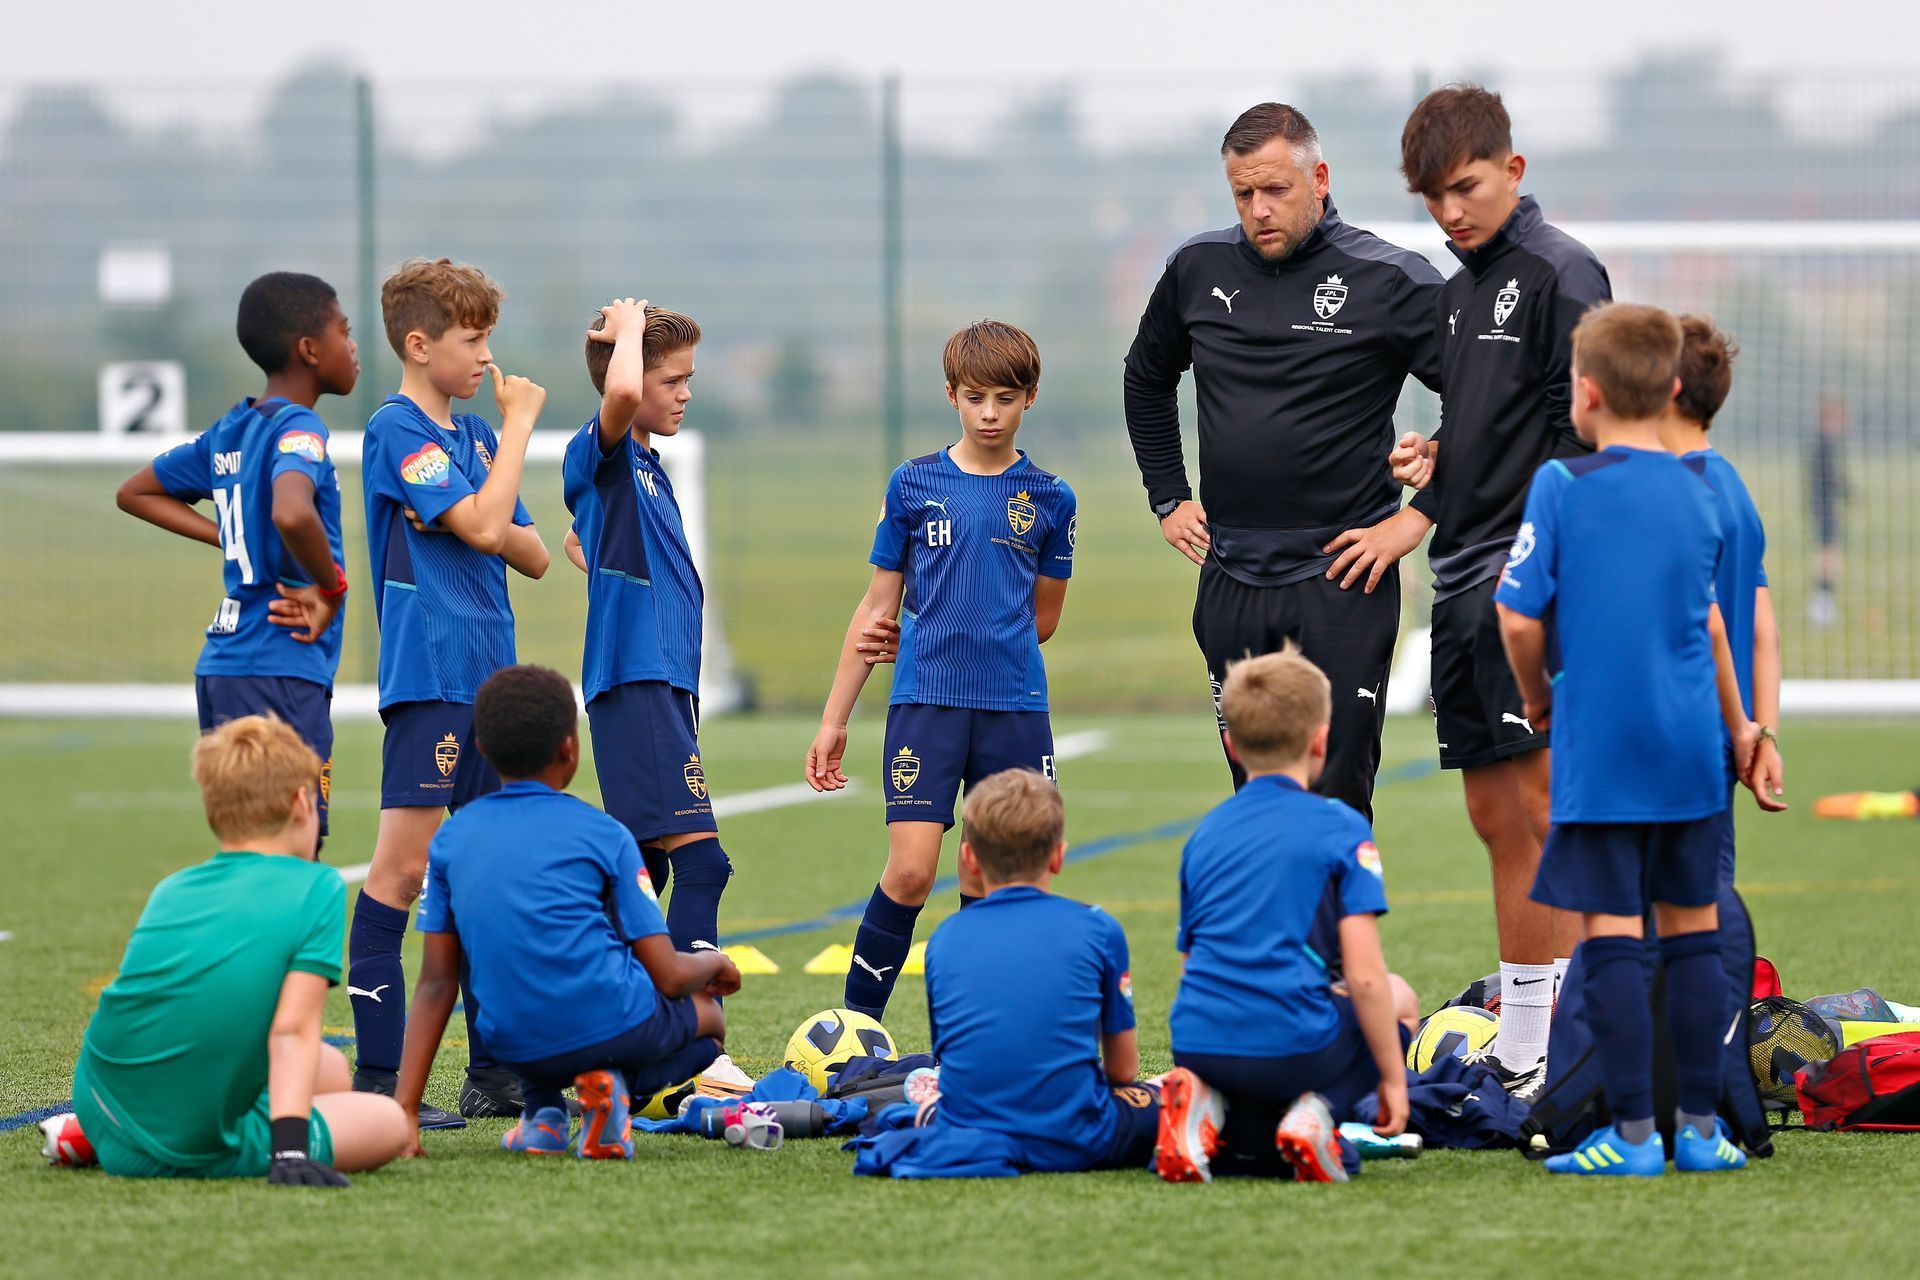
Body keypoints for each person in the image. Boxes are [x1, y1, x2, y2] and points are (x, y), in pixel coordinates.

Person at [1493, 302, 1778, 1176]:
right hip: (1694, 746)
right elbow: (1721, 629)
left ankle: (1631, 1138)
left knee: (1612, 932)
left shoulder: (1562, 485)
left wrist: (1540, 696)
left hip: (1605, 745)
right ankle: (1701, 1130)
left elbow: (1514, 618)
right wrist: (1742, 730)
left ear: (1585, 394)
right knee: (1696, 929)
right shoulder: (1704, 495)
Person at [1122, 101, 1444, 820]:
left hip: (1342, 579)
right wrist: (1169, 496)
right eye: (1244, 194)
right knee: (1259, 796)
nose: (1259, 209)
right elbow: (1145, 376)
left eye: (1276, 190)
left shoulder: (1388, 277)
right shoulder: (1197, 269)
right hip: (1231, 575)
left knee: (1333, 795)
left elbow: (1495, 395)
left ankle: (1340, 936)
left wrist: (1418, 517)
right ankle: (1279, 938)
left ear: (1319, 177)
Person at [1390, 84, 1612, 1087]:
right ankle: (1528, 1044)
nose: (1450, 212)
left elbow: (1591, 433)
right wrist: (1442, 455)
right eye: (1433, 197)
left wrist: (1547, 563)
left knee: (1541, 807)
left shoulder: (1563, 272)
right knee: (1495, 814)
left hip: (1530, 579)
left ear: (1512, 171)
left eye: (1465, 187)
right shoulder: (1458, 288)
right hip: (1460, 572)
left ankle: (1560, 1043)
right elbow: (1503, 424)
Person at [804, 320, 1075, 1020]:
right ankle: (856, 1030)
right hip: (927, 703)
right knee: (913, 870)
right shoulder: (914, 483)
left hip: (1014, 707)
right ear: (951, 394)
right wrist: (835, 722)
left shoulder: (1052, 498)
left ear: (1030, 398)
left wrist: (973, 621)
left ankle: (982, 1030)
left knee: (995, 879)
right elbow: (875, 610)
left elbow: (1043, 619)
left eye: (1006, 398)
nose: (990, 413)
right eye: (976, 396)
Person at [348, 257, 551, 1124]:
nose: (486, 358)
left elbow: (532, 552)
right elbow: (481, 524)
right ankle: (381, 1082)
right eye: (472, 340)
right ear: (420, 343)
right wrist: (519, 435)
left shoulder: (470, 439)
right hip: (430, 677)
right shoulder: (398, 432)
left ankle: (493, 1070)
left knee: (478, 879)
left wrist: (489, 491)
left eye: (489, 340)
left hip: (492, 684)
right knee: (400, 873)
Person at [393, 665, 741, 1160]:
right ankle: (613, 1093)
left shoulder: (450, 837)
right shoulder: (606, 834)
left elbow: (434, 982)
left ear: (484, 752)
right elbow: (667, 973)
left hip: (507, 1043)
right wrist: (715, 966)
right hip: (608, 1028)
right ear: (570, 749)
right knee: (707, 1019)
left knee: (531, 1001)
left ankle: (544, 1117)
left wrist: (405, 1109)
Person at [63, 716, 408, 1183]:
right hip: (185, 1144)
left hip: (101, 1102)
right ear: (302, 802)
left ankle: (88, 1137)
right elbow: (291, 1031)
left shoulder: (173, 887)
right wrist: (288, 1152)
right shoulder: (316, 886)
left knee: (330, 1067)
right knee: (387, 1122)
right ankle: (221, 1139)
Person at [560, 296, 751, 1094]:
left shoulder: (643, 464)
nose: (685, 393)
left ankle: (596, 1047)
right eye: (673, 379)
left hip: (660, 688)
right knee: (704, 865)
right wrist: (629, 330)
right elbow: (619, 399)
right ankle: (691, 1054)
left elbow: (586, 541)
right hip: (638, 687)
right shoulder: (602, 444)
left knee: (639, 879)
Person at [1155, 647, 1417, 1185]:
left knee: (1255, 1108)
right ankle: (1322, 1109)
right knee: (1398, 998)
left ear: (1232, 743)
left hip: (1199, 1042)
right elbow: (1365, 976)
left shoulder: (1203, 834)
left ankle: (1210, 1105)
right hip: (1294, 1047)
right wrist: (1393, 1079)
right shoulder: (1342, 827)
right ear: (1320, 741)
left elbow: (1189, 963)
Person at [115, 272, 358, 840]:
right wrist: (331, 589)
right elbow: (292, 512)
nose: (352, 346)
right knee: (296, 840)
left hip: (223, 666)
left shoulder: (230, 429)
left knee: (247, 842)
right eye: (344, 331)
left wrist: (225, 532)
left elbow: (135, 492)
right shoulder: (302, 427)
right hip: (279, 662)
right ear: (309, 349)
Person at [853, 768, 1155, 1178]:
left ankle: (928, 1115)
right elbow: (1122, 1070)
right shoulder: (1099, 928)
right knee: (1167, 1093)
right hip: (1075, 1139)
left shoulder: (945, 939)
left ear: (970, 859)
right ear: (1059, 856)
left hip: (970, 1126)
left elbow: (955, 1060)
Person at [1659, 315, 1789, 877]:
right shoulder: (1734, 488)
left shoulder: (1672, 493)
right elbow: (1765, 633)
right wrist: (1762, 734)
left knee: (1653, 910)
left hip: (1670, 731)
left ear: (1666, 389)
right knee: (1706, 899)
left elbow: (1707, 625)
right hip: (1720, 740)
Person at [1806, 394, 1848, 627]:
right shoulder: (1823, 443)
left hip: (1823, 505)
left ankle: (1823, 601)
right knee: (1827, 554)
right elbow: (1826, 477)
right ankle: (1821, 603)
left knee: (1829, 553)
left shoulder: (1824, 442)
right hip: (1823, 507)